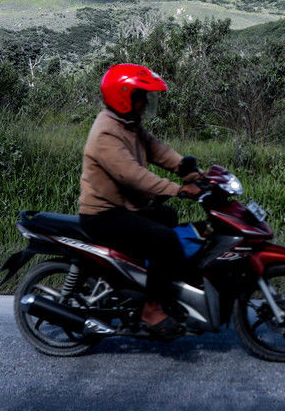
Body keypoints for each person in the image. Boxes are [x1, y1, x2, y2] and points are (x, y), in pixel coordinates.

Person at [78, 63, 201, 339]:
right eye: (139, 95)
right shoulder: (106, 133)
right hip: (103, 215)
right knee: (164, 239)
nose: (144, 102)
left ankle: (149, 284)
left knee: (168, 218)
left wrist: (185, 168)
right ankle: (151, 308)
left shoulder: (129, 124)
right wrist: (178, 189)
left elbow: (157, 149)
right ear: (123, 96)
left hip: (122, 209)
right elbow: (134, 176)